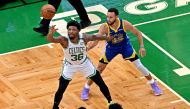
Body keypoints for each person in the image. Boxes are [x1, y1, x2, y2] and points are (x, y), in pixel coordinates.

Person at [80, 8, 163, 100]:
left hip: (125, 47)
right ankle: (86, 88)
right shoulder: (104, 27)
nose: (108, 19)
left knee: (139, 65)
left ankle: (153, 83)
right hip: (111, 49)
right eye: (107, 17)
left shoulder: (124, 24)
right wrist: (87, 48)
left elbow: (138, 33)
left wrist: (142, 46)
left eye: (111, 17)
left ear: (116, 17)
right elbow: (96, 40)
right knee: (99, 69)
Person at [47, 20, 115, 109]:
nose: (71, 31)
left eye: (73, 29)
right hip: (69, 65)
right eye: (69, 29)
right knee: (61, 89)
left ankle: (110, 102)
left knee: (100, 83)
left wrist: (107, 38)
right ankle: (55, 107)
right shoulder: (64, 39)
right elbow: (51, 39)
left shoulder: (84, 38)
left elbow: (95, 36)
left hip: (84, 64)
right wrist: (50, 33)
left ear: (78, 31)